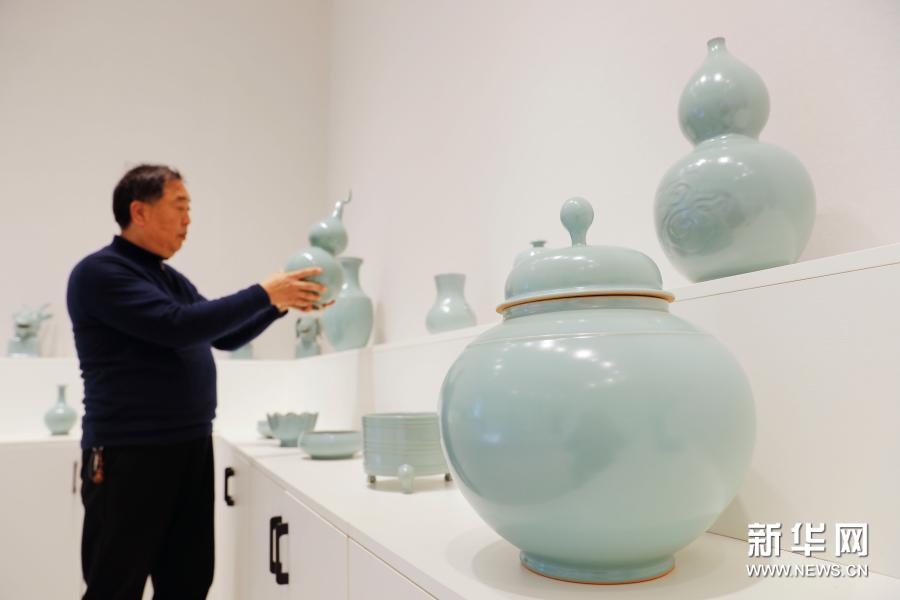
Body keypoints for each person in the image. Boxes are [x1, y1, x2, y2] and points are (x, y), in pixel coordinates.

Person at [67, 164, 327, 600]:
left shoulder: (166, 277)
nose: (188, 220)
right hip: (129, 454)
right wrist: (265, 292)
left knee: (188, 583)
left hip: (189, 447)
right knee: (114, 587)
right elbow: (177, 326)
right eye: (179, 206)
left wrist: (279, 304)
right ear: (139, 211)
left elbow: (222, 336)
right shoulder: (100, 273)